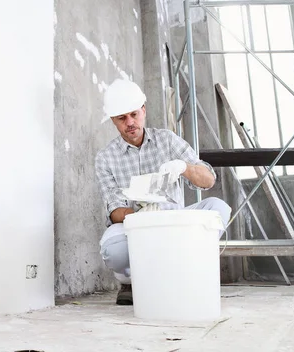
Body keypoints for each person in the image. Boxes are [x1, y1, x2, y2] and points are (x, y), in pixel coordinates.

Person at [94, 78, 232, 306]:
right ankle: (130, 281)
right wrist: (143, 217)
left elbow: (208, 180)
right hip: (136, 228)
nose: (130, 122)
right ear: (113, 121)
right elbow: (115, 210)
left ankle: (181, 269)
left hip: (174, 225)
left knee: (218, 208)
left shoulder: (167, 141)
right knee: (113, 249)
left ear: (143, 111)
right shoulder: (105, 158)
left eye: (134, 114)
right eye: (122, 118)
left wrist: (184, 168)